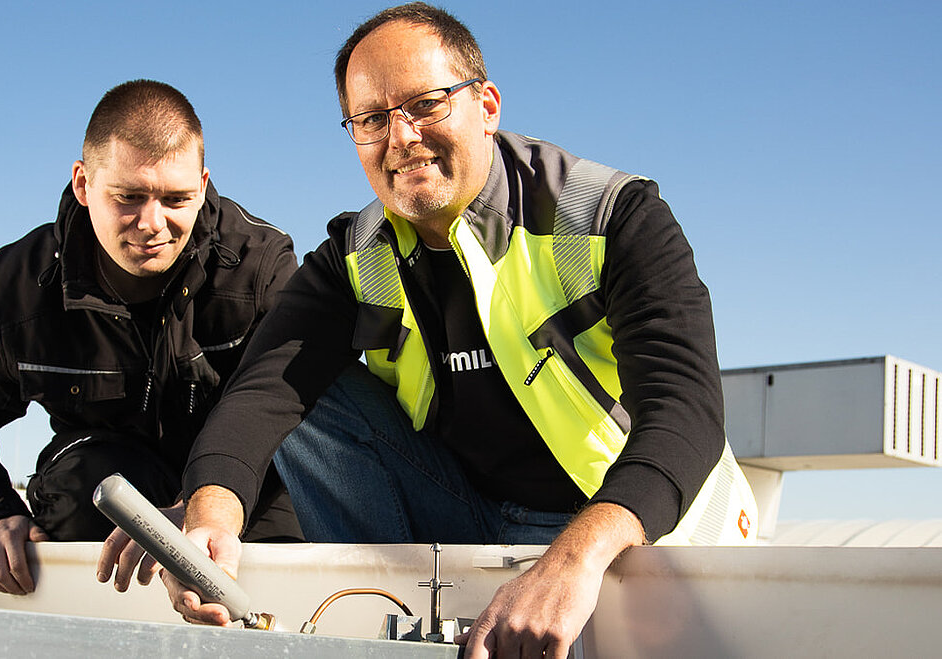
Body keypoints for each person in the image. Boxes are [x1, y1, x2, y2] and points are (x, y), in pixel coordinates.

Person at [174, 4, 756, 657]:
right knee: (302, 389)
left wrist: (574, 558)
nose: (400, 138)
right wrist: (210, 507)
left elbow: (685, 412)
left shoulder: (610, 216)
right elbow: (262, 390)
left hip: (622, 525)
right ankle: (381, 618)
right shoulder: (354, 254)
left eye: (426, 104)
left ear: (487, 106)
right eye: (371, 119)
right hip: (465, 518)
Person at [0, 79, 302, 597]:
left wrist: (204, 506)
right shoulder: (18, 287)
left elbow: (302, 410)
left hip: (243, 490)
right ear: (83, 183)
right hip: (110, 486)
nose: (152, 223)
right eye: (129, 197)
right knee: (88, 487)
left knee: (291, 528)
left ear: (203, 184)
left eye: (177, 199)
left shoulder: (259, 268)